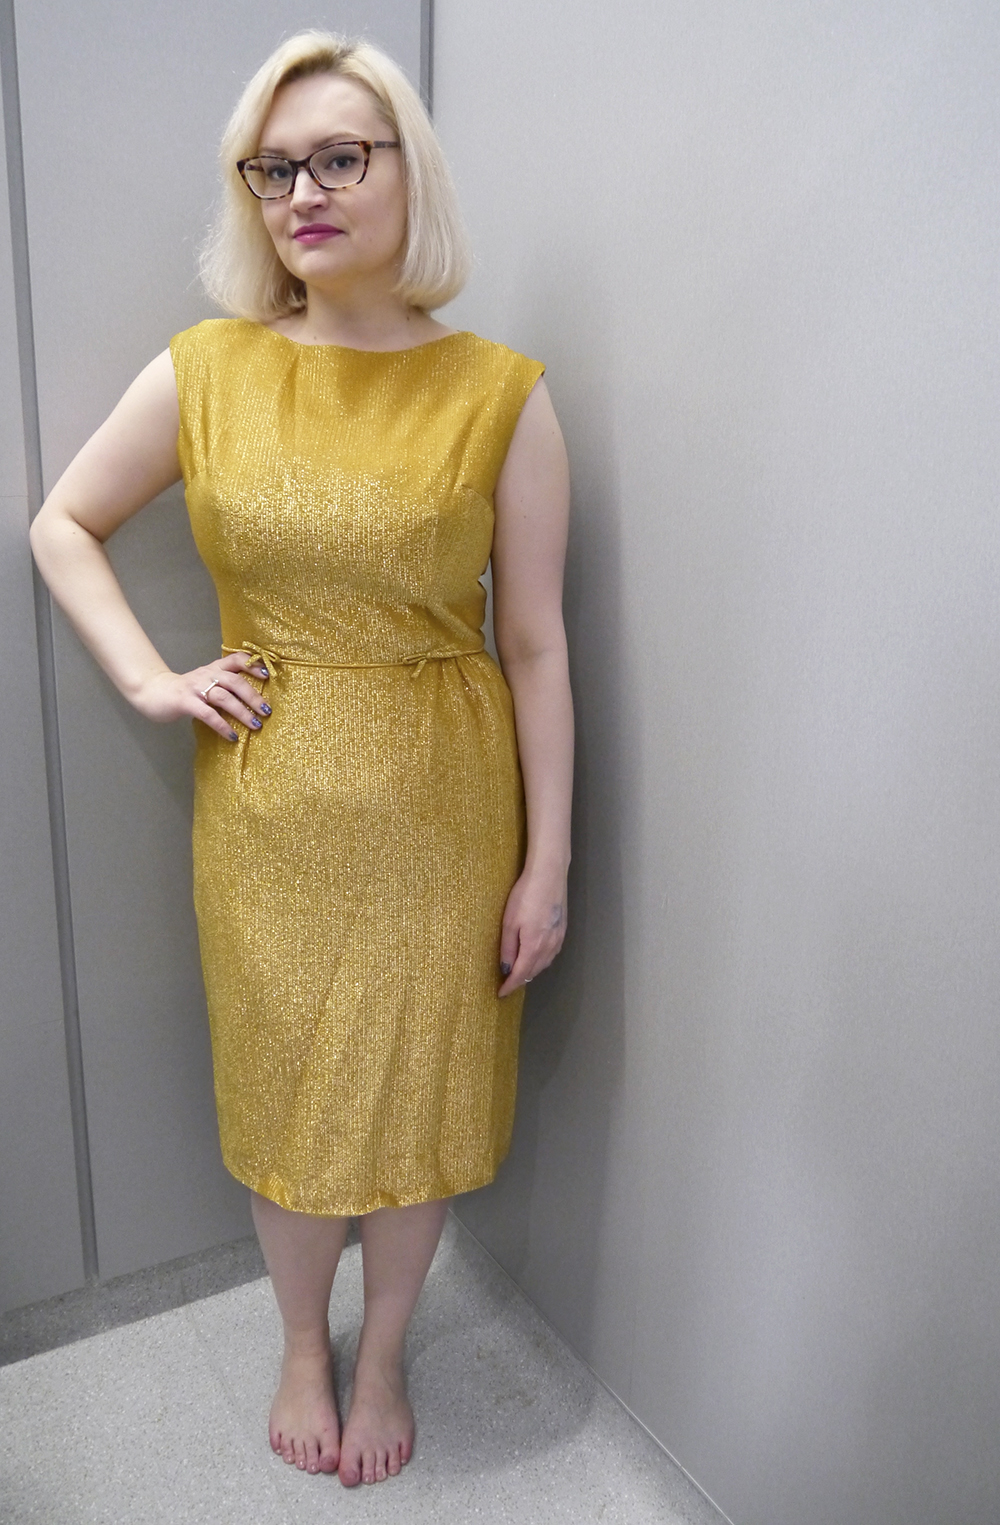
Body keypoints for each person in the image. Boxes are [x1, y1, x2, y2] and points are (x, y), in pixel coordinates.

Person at [29, 30, 573, 1490]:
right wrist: (151, 677)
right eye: (273, 171)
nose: (302, 194)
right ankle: (297, 1343)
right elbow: (61, 522)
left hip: (445, 808)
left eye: (339, 158)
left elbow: (534, 643)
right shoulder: (209, 369)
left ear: (409, 171)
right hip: (269, 809)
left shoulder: (501, 392)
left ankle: (382, 1351)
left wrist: (548, 862)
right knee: (289, 1089)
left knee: (422, 1092)